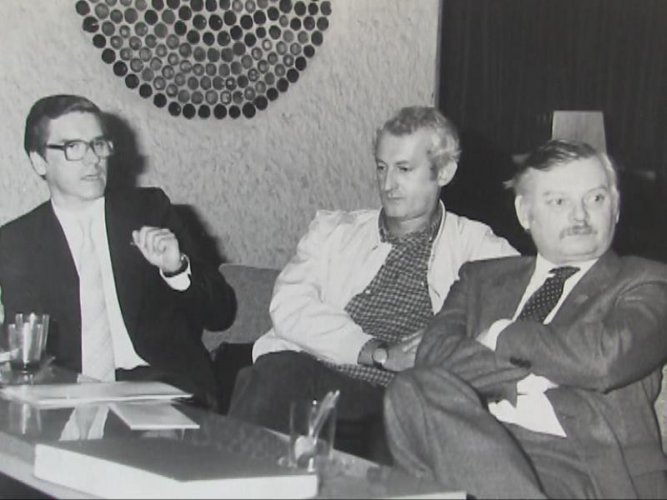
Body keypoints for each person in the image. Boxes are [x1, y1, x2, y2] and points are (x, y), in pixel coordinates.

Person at [228, 106, 517, 462]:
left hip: (406, 399)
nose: (387, 184)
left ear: (444, 172)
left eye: (404, 169)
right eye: (382, 167)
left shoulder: (479, 247)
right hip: (319, 378)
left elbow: (520, 316)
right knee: (274, 371)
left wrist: (442, 347)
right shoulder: (334, 232)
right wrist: (379, 353)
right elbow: (289, 308)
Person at [384, 139, 667, 498]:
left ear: (616, 206)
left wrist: (502, 335)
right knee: (412, 388)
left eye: (595, 198)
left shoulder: (647, 282)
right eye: (559, 202)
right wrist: (535, 375)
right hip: (466, 447)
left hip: (582, 465)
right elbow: (433, 357)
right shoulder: (480, 279)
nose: (580, 216)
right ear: (524, 212)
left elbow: (603, 359)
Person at [0, 94, 236, 410]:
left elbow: (221, 313)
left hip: (162, 387)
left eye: (98, 144)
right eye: (73, 147)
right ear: (39, 161)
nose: (93, 160)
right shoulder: (17, 241)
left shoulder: (149, 211)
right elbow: (20, 347)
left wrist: (176, 269)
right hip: (68, 395)